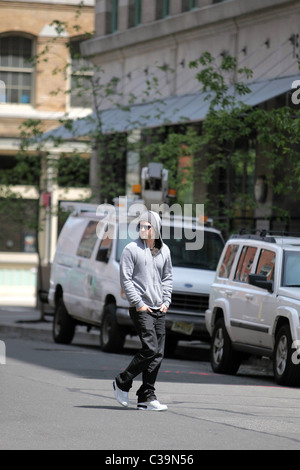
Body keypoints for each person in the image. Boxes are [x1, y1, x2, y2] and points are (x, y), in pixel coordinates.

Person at [113, 210, 173, 411]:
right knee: (150, 348)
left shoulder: (164, 251)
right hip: (142, 308)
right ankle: (122, 382)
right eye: (141, 225)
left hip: (159, 308)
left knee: (158, 354)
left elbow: (167, 278)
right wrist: (138, 303)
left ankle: (146, 396)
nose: (143, 229)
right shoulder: (131, 249)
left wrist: (166, 300)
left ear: (155, 229)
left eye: (147, 226)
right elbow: (125, 279)